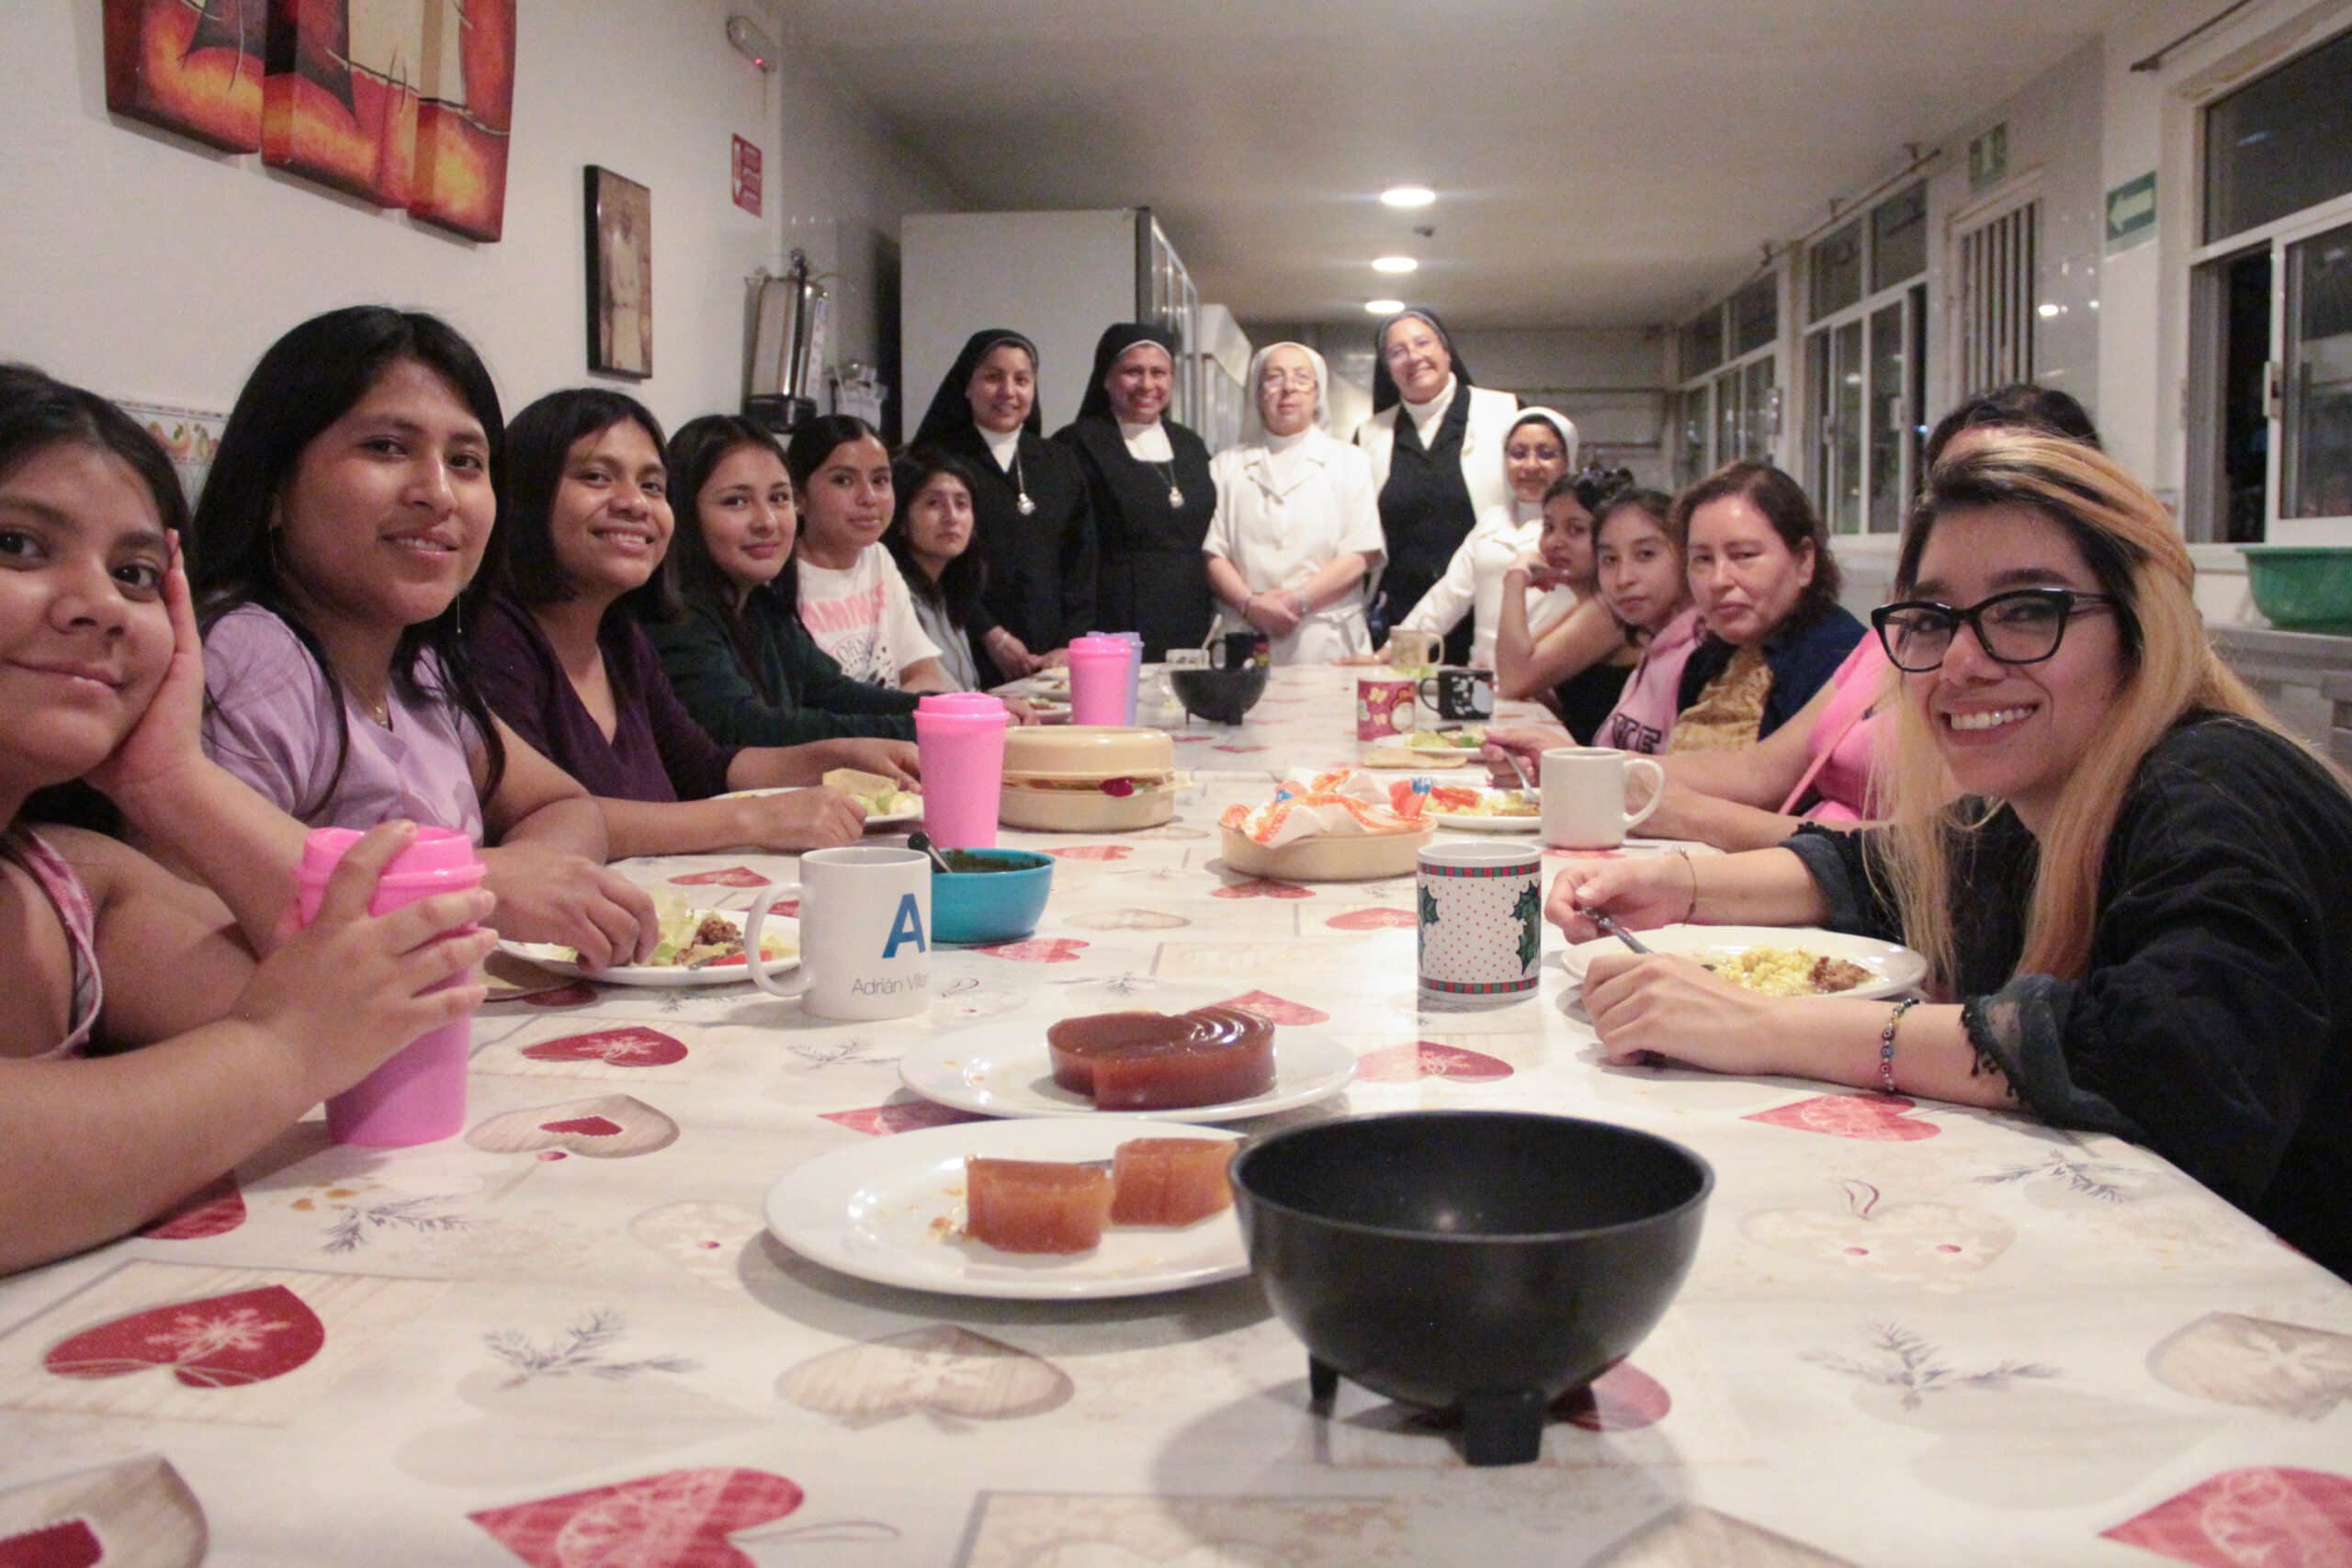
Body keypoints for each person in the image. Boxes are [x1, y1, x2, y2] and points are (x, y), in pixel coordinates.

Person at [1553, 434, 2352, 1278]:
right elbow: (1891, 869)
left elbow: (2168, 1055)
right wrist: (1671, 881)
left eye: (2026, 611)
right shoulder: (2062, 795)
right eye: (1934, 621)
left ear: (2140, 625)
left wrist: (1764, 1026)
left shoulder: (2217, 783)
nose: (1963, 663)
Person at [0, 367, 499, 1271]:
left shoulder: (66, 883)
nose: (100, 605)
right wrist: (280, 1053)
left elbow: (377, 991)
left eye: (135, 573)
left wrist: (169, 778)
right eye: (19, 545)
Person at [190, 307, 656, 968]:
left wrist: (522, 876)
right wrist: (477, 886)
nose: (439, 493)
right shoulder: (251, 655)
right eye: (386, 447)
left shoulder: (420, 668)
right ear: (274, 486)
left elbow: (566, 806)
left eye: (467, 460)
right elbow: (194, 924)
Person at [1610, 385, 2109, 850]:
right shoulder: (1893, 636)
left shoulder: (2076, 658)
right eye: (1948, 491)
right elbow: (1762, 771)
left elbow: (1945, 853)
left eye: (1999, 491)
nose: (1967, 517)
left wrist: (1686, 816)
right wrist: (1600, 770)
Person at [471, 388, 890, 858]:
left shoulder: (619, 636)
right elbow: (537, 819)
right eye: (596, 476)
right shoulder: (490, 636)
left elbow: (704, 767)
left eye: (652, 485)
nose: (635, 503)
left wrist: (844, 757)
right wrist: (753, 817)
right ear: (524, 494)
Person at [646, 416, 921, 748]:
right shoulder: (671, 616)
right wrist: (921, 729)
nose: (767, 521)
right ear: (684, 511)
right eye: (736, 501)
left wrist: (954, 709)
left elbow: (834, 693)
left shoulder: (760, 607)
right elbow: (745, 727)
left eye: (778, 498)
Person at [910, 330, 1095, 681]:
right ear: (967, 385)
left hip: (1052, 660)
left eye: (1021, 380)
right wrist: (990, 633)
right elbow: (931, 561)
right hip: (967, 641)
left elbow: (1082, 561)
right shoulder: (936, 462)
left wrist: (1070, 643)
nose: (1008, 392)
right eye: (993, 377)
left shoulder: (1060, 462)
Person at [1351, 308, 1521, 662]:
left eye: (1422, 343)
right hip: (1405, 618)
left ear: (1447, 351)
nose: (1413, 357)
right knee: (1406, 711)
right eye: (1397, 352)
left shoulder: (1504, 412)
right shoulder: (1369, 436)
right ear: (1387, 369)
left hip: (1491, 607)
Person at [1202, 342, 1384, 663]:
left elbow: (1361, 552)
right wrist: (1250, 604)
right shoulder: (1224, 466)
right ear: (1258, 394)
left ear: (1317, 394)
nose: (1288, 388)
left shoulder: (1351, 461)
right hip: (1245, 632)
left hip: (1326, 635)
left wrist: (1298, 601)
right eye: (1274, 378)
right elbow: (1212, 552)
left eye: (1301, 378)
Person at [1665, 462, 1862, 752]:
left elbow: (1774, 784)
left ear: (1804, 560)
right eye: (1702, 559)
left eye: (1743, 555)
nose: (1719, 580)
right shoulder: (1706, 661)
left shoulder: (1840, 657)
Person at [1056, 323, 1216, 659]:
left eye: (1159, 373)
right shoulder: (1076, 443)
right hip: (1114, 613)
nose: (1147, 384)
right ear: (1106, 378)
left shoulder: (1190, 445)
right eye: (1132, 372)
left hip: (1191, 610)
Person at [1386, 408, 1579, 668]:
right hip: (1482, 679)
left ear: (1568, 461)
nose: (1531, 465)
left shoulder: (1582, 529)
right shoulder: (1492, 522)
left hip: (1549, 678)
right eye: (1518, 454)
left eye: (1546, 454)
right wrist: (1388, 656)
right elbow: (1447, 598)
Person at [786, 414, 954, 692]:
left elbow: (924, 675)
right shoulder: (779, 573)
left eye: (880, 480)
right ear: (799, 496)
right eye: (843, 480)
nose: (869, 497)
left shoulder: (876, 557)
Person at [1493, 472, 1645, 738]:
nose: (1554, 542)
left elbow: (1512, 679)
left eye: (1576, 530)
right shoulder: (1590, 602)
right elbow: (1521, 667)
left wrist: (1516, 577)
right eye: (1548, 527)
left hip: (1605, 772)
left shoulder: (1613, 610)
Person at [1588, 489, 1703, 754]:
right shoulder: (1655, 646)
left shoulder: (1702, 656)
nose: (1623, 578)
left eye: (1646, 555)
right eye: (1610, 560)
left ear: (1687, 555)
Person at [884, 447, 991, 691]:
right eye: (933, 503)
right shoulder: (898, 595)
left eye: (961, 504)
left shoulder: (946, 591)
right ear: (900, 520)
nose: (951, 516)